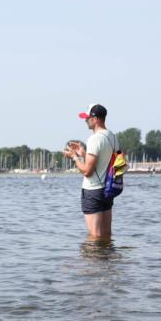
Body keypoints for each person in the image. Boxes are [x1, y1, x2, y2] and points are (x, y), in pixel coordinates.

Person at [64, 103, 117, 240]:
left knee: (95, 237)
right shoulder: (112, 137)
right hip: (107, 189)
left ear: (96, 119)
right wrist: (84, 154)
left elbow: (87, 171)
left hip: (93, 191)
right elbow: (103, 162)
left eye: (88, 117)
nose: (85, 120)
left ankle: (93, 261)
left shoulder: (94, 139)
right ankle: (107, 260)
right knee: (106, 235)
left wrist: (74, 157)